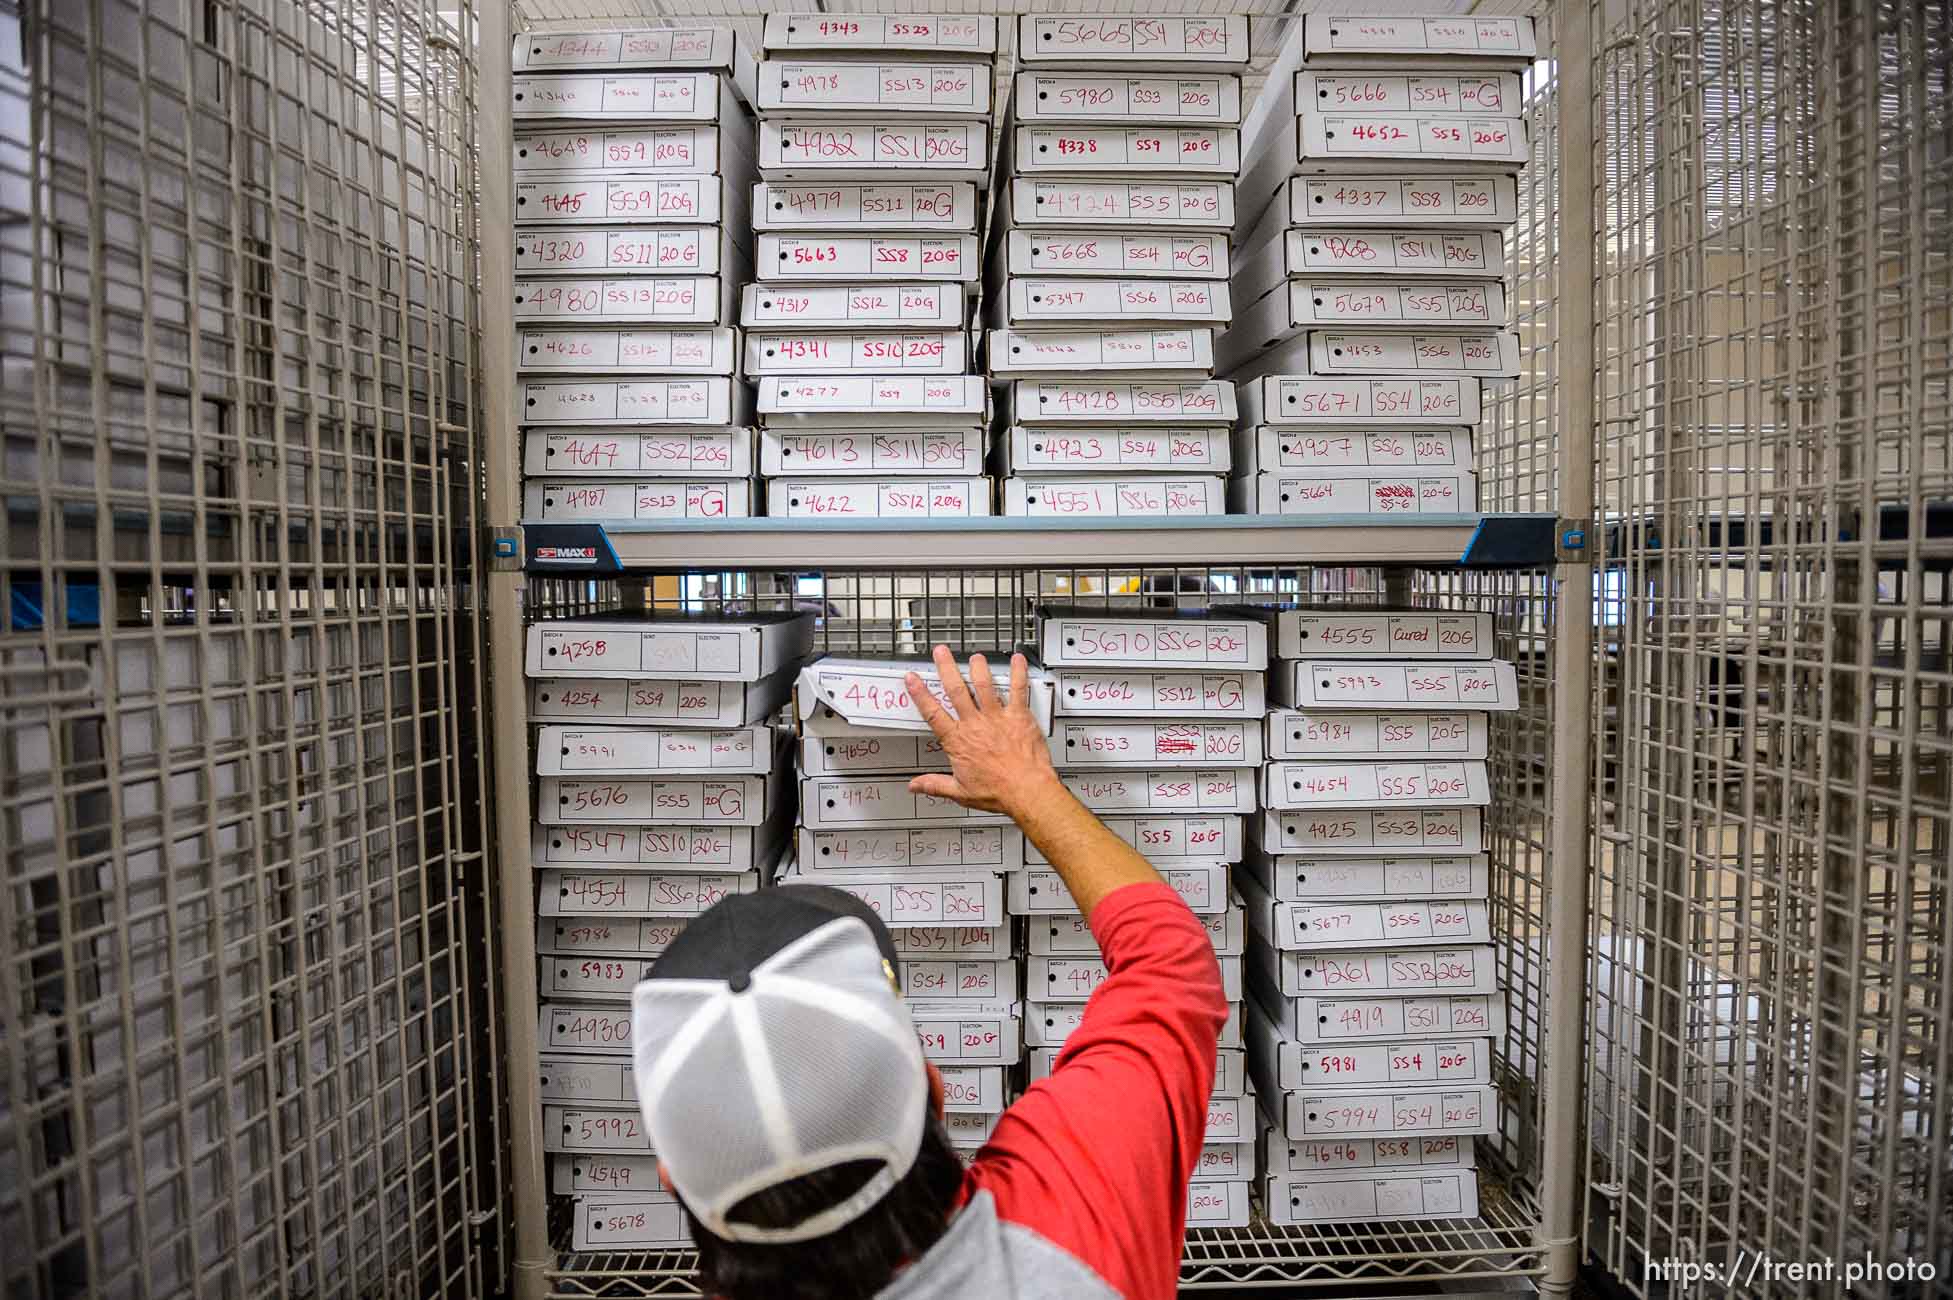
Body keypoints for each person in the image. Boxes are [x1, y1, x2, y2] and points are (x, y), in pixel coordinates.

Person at [632, 647, 1229, 1299]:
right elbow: (1170, 961)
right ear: (934, 1091)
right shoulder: (1070, 1229)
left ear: (671, 1178)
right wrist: (1030, 789)